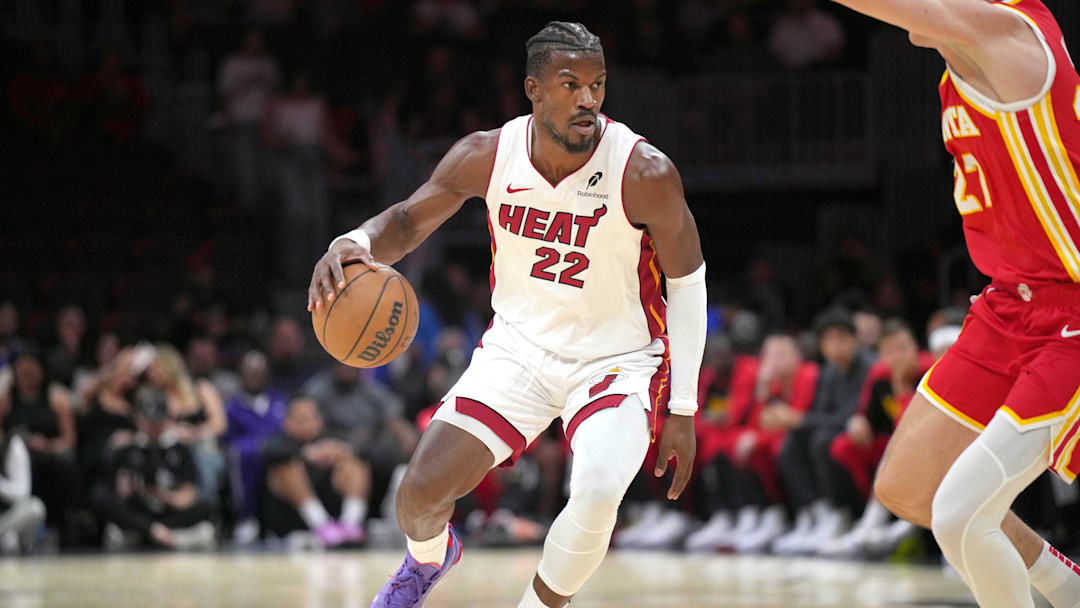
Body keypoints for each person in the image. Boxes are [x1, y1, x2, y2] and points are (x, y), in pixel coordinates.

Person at [307, 22, 706, 608]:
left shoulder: (644, 172)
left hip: (615, 361)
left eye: (597, 84)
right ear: (533, 89)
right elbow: (408, 221)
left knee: (596, 492)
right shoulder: (487, 156)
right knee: (416, 497)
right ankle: (429, 560)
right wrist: (355, 242)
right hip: (518, 351)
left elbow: (689, 284)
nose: (588, 99)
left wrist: (683, 407)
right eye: (570, 84)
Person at [828, 0, 1080, 605]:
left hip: (1072, 311)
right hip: (1007, 308)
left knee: (960, 515)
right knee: (911, 488)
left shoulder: (1008, 33)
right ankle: (1065, 583)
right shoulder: (961, 59)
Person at [772, 308, 875, 555]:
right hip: (837, 432)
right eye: (829, 340)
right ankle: (817, 513)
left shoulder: (869, 368)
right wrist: (796, 420)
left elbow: (849, 416)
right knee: (791, 444)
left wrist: (799, 418)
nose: (836, 347)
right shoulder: (828, 373)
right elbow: (821, 414)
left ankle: (843, 514)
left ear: (854, 339)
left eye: (842, 338)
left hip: (868, 434)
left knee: (822, 441)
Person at [90, 386, 215, 550]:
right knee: (100, 497)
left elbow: (188, 495)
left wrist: (161, 494)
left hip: (168, 512)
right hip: (139, 515)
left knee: (207, 506)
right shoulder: (127, 449)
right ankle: (155, 534)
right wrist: (131, 491)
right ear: (137, 418)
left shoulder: (179, 449)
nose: (152, 427)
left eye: (157, 420)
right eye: (148, 420)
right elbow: (116, 494)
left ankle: (153, 536)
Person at [261, 396, 369, 547]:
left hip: (335, 519)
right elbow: (267, 452)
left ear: (320, 421)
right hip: (290, 522)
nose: (307, 424)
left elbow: (367, 451)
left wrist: (342, 450)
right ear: (287, 422)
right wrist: (305, 453)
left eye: (311, 418)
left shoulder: (331, 437)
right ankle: (321, 525)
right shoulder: (279, 441)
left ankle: (351, 524)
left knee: (353, 465)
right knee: (286, 468)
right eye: (300, 419)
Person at [0, 347, 80, 541]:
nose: (26, 376)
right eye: (22, 371)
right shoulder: (7, 399)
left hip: (48, 456)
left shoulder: (55, 397)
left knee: (64, 466)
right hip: (14, 459)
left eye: (31, 370)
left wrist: (46, 445)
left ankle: (57, 526)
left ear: (41, 371)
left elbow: (69, 441)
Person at [145, 344, 227, 504]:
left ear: (169, 366)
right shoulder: (155, 398)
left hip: (203, 449)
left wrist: (194, 433)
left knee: (204, 458)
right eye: (149, 370)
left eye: (156, 368)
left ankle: (205, 508)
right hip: (172, 453)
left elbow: (220, 424)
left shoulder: (200, 388)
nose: (151, 374)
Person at [224, 350, 287, 543]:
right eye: (250, 371)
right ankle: (246, 518)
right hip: (246, 456)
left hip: (275, 452)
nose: (254, 375)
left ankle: (284, 524)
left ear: (267, 373)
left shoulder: (279, 401)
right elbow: (228, 439)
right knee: (243, 454)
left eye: (259, 371)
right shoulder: (232, 406)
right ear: (242, 373)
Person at [0, 425, 46, 554]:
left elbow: (22, 492)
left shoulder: (12, 444)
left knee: (35, 508)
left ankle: (7, 536)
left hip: (5, 515)